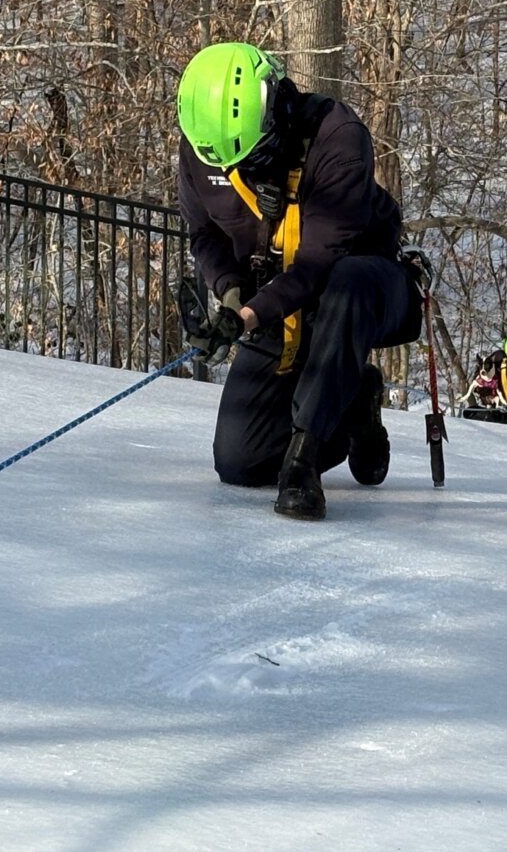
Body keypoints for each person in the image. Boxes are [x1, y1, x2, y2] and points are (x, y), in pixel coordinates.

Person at [176, 41, 422, 521]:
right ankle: (353, 403)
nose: (240, 172)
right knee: (239, 462)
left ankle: (303, 461)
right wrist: (232, 297)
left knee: (347, 282)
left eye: (253, 155)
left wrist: (247, 315)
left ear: (274, 111)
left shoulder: (338, 139)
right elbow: (203, 233)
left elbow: (316, 267)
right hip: (277, 299)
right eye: (228, 165)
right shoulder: (203, 148)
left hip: (364, 289)